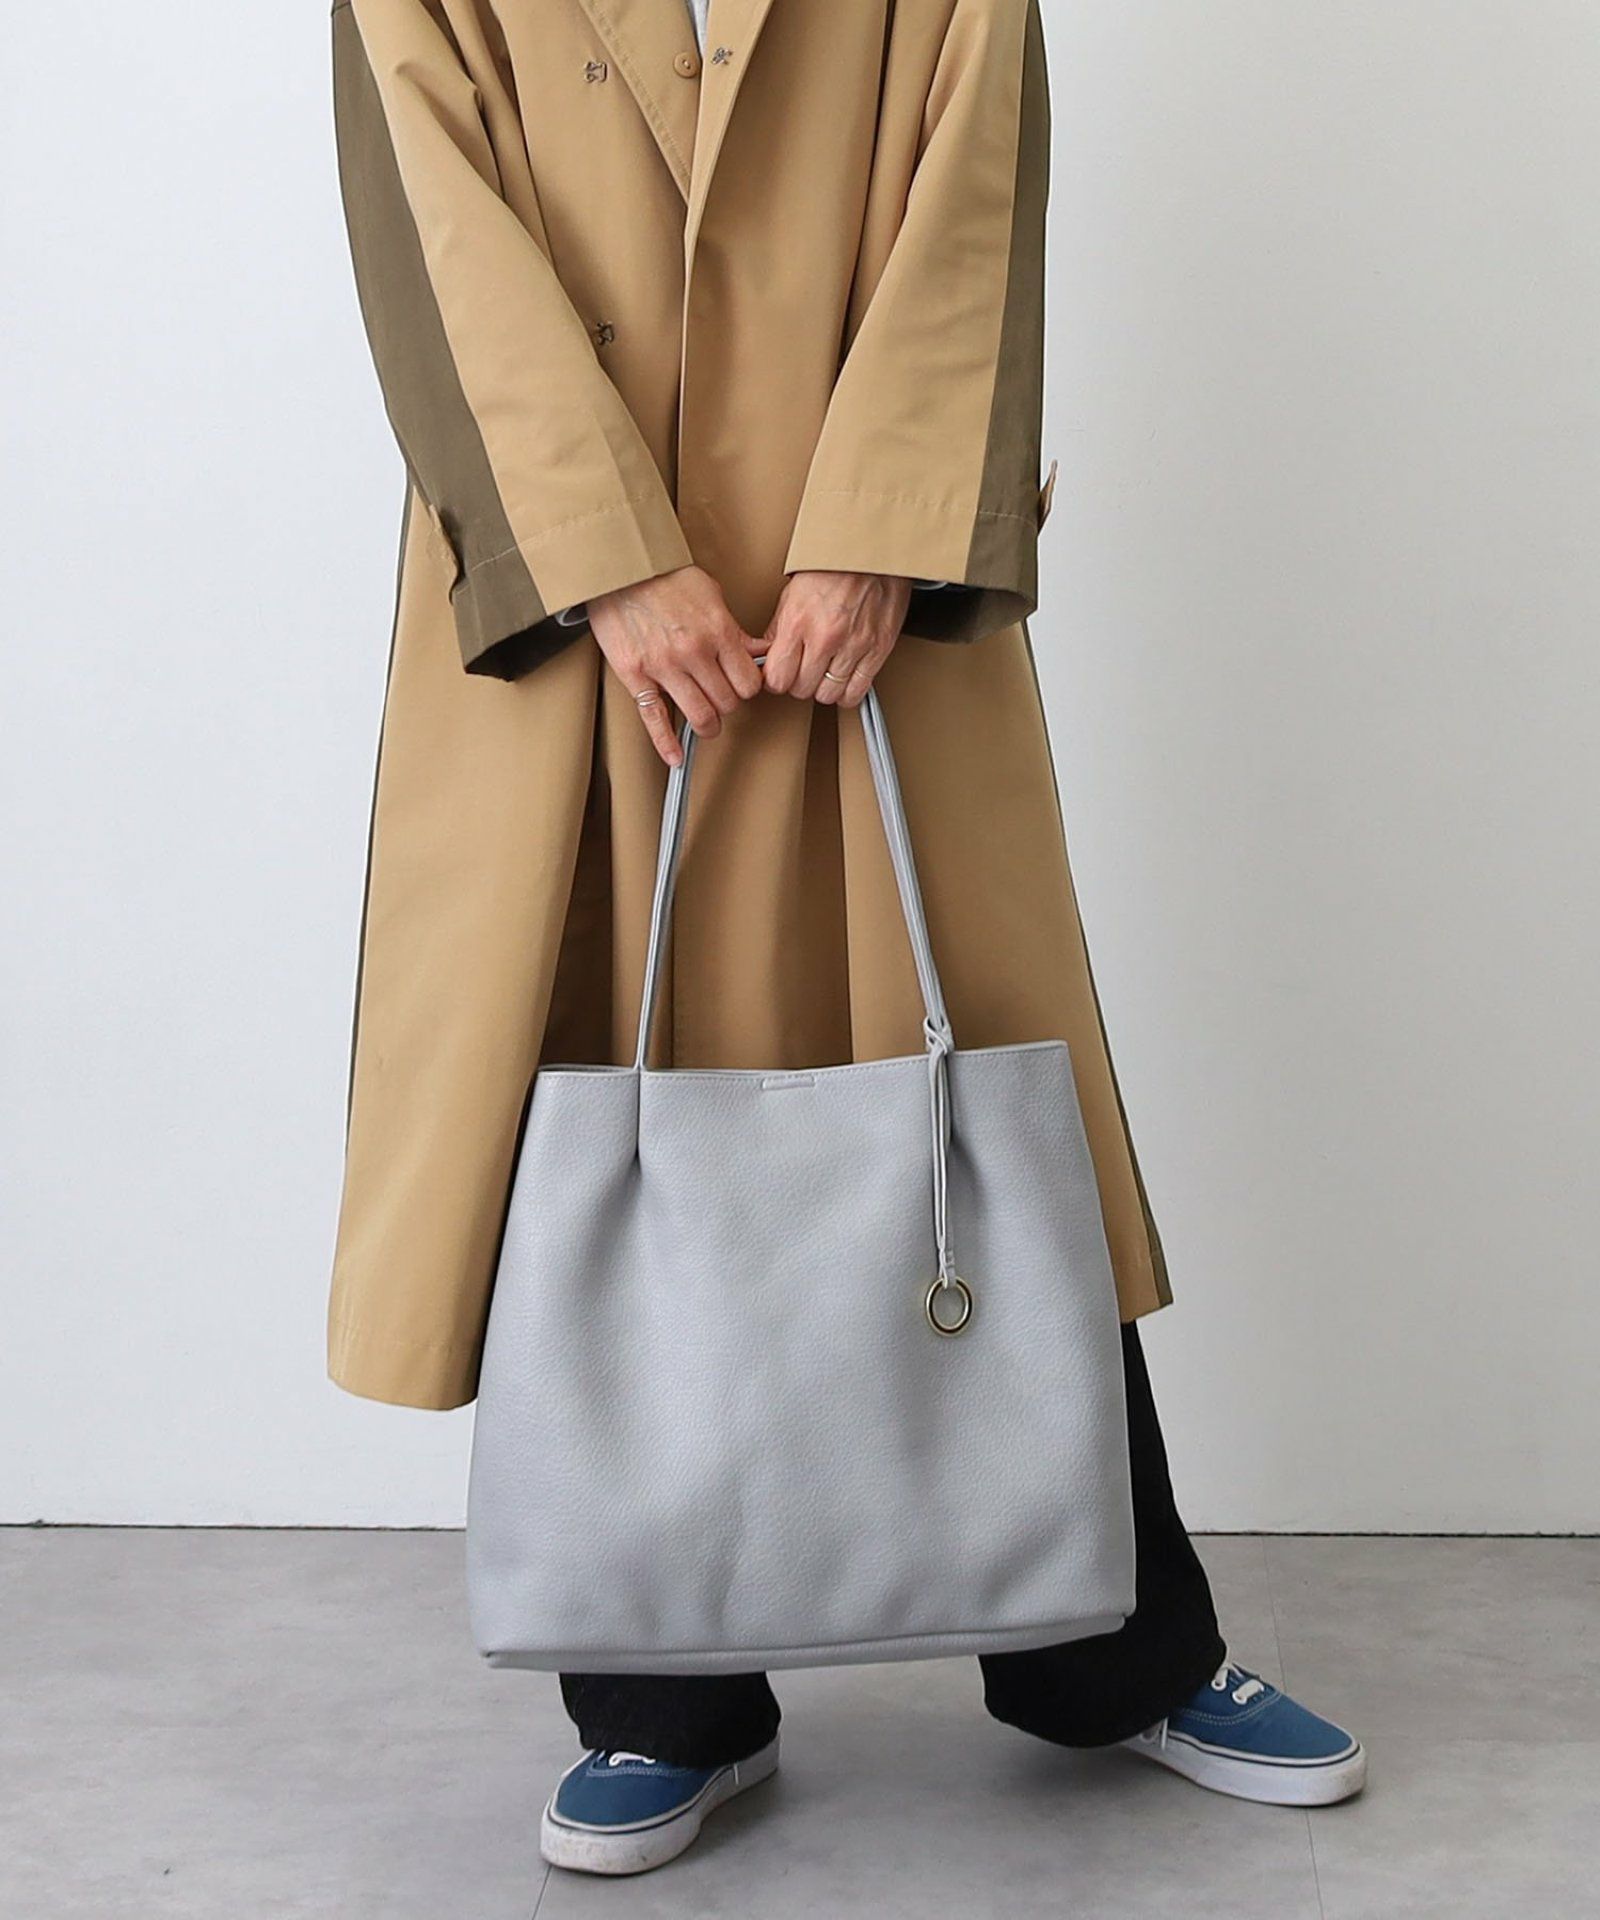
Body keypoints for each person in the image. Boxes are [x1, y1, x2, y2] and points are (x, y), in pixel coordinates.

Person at [326, 0, 1366, 1879]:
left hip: (856, 616)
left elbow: (974, 185)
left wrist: (885, 529)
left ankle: (1110, 1649)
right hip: (589, 648)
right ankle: (662, 1697)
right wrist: (602, 559)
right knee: (609, 1112)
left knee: (981, 1117)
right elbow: (433, 218)